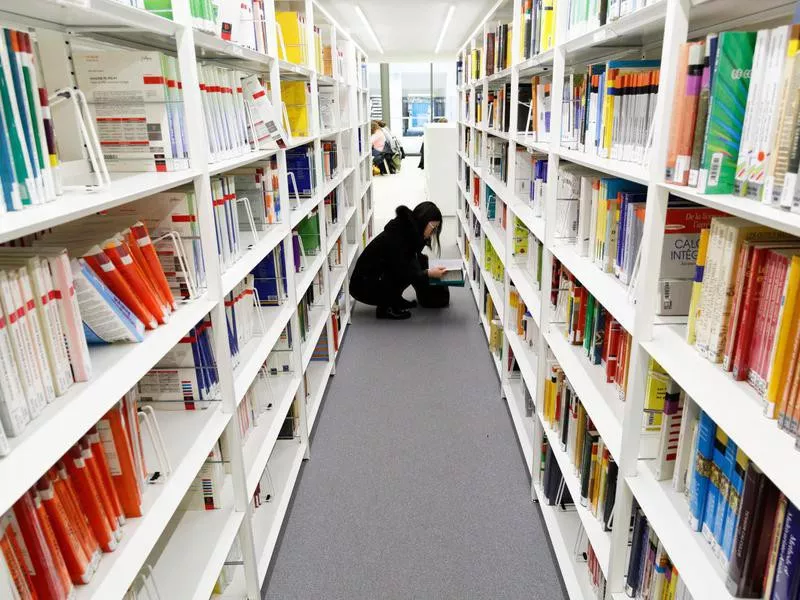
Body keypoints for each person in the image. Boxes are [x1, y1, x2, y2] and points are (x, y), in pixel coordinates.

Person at [350, 201, 450, 320]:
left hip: (373, 278)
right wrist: (428, 273)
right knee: (404, 271)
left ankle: (394, 300)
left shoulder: (408, 231)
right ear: (423, 221)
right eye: (433, 227)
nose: (434, 232)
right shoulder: (399, 237)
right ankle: (385, 309)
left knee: (414, 264)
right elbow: (404, 269)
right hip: (362, 286)